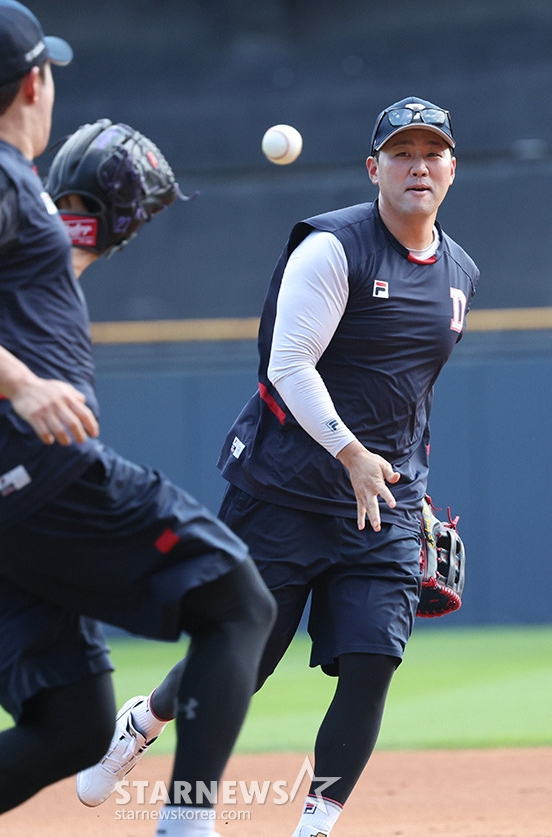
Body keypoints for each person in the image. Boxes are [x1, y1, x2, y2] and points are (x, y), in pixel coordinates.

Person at [0, 3, 275, 837]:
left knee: (71, 723)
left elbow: (4, 298)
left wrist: (81, 242)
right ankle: (187, 825)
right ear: (36, 82)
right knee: (241, 605)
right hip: (33, 464)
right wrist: (25, 384)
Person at [76, 96, 479, 835]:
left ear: (452, 169)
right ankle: (146, 721)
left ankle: (313, 826)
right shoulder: (332, 248)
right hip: (285, 491)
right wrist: (352, 451)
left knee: (370, 660)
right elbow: (287, 366)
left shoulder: (459, 275)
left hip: (380, 504)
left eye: (432, 152)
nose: (417, 164)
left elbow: (409, 390)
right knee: (243, 661)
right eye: (400, 152)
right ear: (373, 168)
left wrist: (410, 484)